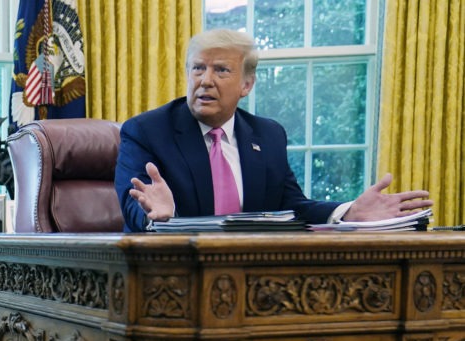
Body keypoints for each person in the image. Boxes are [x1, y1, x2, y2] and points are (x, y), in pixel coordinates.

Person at [115, 29, 432, 233]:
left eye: (221, 70)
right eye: (198, 68)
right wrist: (156, 217)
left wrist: (348, 212)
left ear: (246, 85)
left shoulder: (267, 136)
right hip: (170, 276)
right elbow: (134, 208)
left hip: (250, 276)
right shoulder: (145, 131)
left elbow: (292, 207)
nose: (205, 80)